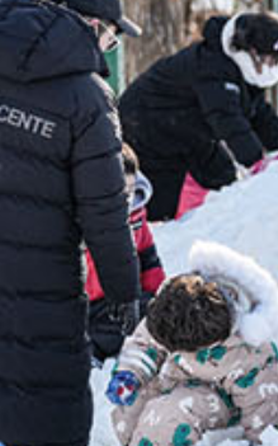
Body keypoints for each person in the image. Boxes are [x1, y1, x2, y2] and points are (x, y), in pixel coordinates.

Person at [0, 0, 143, 445]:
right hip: (43, 285)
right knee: (44, 407)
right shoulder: (88, 96)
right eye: (112, 37)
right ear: (94, 25)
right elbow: (104, 212)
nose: (108, 47)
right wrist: (124, 292)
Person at [106, 241, 278, 446]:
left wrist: (261, 439)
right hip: (173, 380)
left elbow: (262, 403)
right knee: (133, 405)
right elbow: (145, 342)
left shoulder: (247, 351)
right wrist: (130, 373)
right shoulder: (173, 311)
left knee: (168, 415)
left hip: (217, 397)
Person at [119, 12, 278, 221]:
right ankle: (162, 238)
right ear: (250, 51)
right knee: (163, 202)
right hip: (150, 128)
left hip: (190, 130)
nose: (272, 67)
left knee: (225, 179)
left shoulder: (239, 68)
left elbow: (257, 110)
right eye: (268, 60)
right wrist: (255, 161)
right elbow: (227, 119)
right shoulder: (212, 67)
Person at [86, 144, 167, 363]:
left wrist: (156, 293)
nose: (125, 201)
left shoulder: (135, 215)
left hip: (116, 299)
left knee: (154, 314)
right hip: (80, 306)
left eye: (129, 192)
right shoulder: (82, 221)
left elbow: (147, 256)